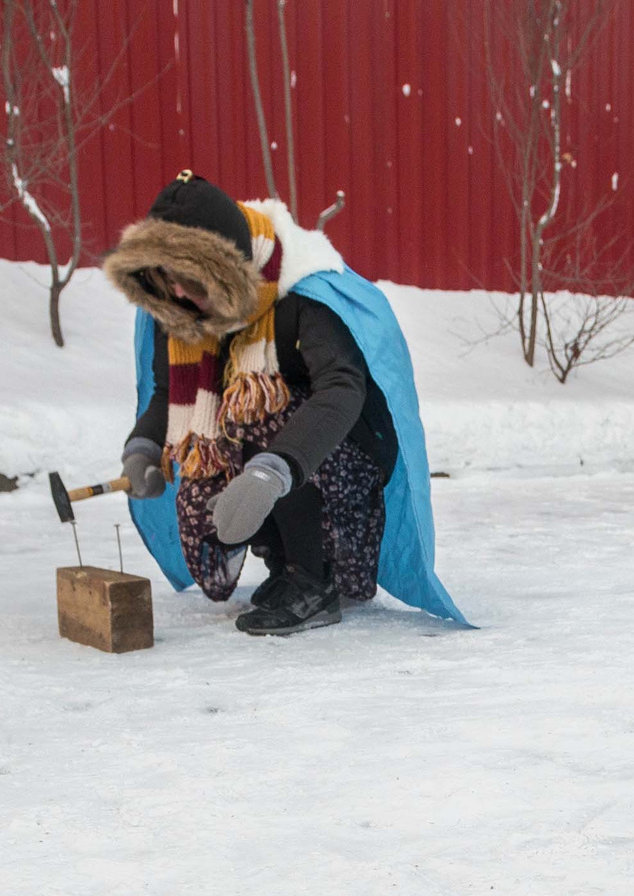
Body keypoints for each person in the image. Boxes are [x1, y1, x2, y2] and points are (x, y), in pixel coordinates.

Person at [101, 172, 465, 635]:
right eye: (164, 279)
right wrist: (143, 449)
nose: (175, 294)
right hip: (278, 459)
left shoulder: (300, 290)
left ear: (226, 269)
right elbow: (168, 395)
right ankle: (286, 567)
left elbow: (342, 389)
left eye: (189, 280)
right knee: (206, 470)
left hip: (340, 460)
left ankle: (314, 580)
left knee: (253, 412)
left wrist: (272, 470)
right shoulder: (181, 307)